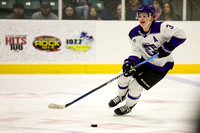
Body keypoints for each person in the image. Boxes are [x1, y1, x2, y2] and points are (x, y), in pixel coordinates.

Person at [108, 4, 186, 115]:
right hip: (145, 60)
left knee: (135, 86)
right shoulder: (133, 33)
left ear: (152, 17)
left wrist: (168, 47)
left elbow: (182, 34)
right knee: (123, 76)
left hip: (160, 67)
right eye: (140, 16)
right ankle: (121, 96)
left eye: (145, 16)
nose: (141, 19)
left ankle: (128, 106)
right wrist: (129, 62)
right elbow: (136, 52)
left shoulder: (162, 27)